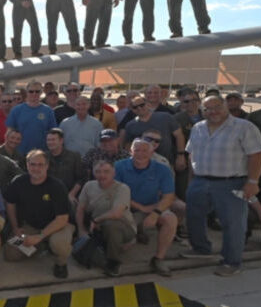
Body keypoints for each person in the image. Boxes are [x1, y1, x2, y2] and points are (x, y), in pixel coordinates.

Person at [183, 96, 261, 275]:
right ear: (202, 111)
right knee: (194, 217)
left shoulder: (244, 127)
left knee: (233, 224)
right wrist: (191, 181)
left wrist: (253, 182)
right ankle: (201, 249)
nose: (213, 112)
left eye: (217, 107)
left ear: (226, 105)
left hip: (231, 182)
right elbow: (191, 154)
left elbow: (256, 155)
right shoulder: (198, 128)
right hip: (200, 181)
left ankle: (231, 262)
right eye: (208, 109)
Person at [3, 150, 74, 279]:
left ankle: (60, 263)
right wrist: (15, 227)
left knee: (59, 245)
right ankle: (41, 247)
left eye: (40, 165)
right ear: (27, 164)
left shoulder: (57, 186)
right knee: (11, 253)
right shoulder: (19, 181)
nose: (36, 168)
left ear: (47, 166)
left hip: (57, 226)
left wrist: (40, 236)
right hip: (31, 226)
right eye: (33, 164)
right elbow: (10, 203)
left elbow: (62, 219)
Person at [114, 139, 178, 276]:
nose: (140, 154)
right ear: (130, 151)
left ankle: (158, 259)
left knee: (170, 219)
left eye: (145, 150)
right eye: (137, 150)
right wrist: (141, 208)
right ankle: (136, 235)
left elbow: (169, 196)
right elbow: (115, 193)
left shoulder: (162, 169)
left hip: (152, 208)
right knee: (124, 245)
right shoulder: (119, 166)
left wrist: (155, 213)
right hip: (127, 208)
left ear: (152, 152)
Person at [76, 160, 137, 276]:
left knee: (111, 224)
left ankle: (114, 262)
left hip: (122, 226)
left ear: (114, 173)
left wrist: (96, 220)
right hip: (98, 227)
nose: (102, 175)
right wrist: (81, 230)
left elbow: (116, 214)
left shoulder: (123, 188)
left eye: (106, 171)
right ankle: (109, 246)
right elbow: (80, 209)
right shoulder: (89, 186)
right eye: (98, 172)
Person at [122, 95, 187, 168]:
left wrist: (181, 156)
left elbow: (179, 135)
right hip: (142, 165)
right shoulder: (130, 125)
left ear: (147, 104)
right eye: (135, 107)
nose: (139, 108)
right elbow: (128, 145)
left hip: (166, 162)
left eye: (142, 105)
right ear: (131, 109)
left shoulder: (165, 117)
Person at [6, 81, 57, 155]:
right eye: (31, 91)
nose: (34, 94)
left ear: (41, 92)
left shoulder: (48, 111)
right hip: (20, 153)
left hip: (42, 154)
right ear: (27, 92)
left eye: (37, 91)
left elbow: (53, 133)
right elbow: (9, 132)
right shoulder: (16, 110)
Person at [45, 128, 84, 205]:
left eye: (53, 140)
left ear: (61, 141)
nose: (50, 142)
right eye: (48, 140)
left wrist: (72, 194)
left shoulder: (74, 157)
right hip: (48, 195)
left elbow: (82, 178)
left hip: (68, 195)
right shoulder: (43, 157)